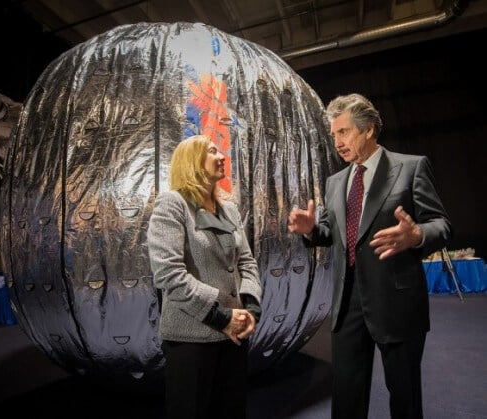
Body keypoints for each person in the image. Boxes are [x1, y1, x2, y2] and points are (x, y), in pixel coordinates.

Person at [288, 93, 451, 419]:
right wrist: (310, 229)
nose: (337, 142)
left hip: (397, 302)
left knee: (404, 398)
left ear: (369, 129)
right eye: (334, 134)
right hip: (347, 305)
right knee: (346, 398)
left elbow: (442, 225)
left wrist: (417, 235)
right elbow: (331, 232)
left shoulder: (410, 167)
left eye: (344, 132)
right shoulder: (335, 182)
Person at [147, 134, 262, 419]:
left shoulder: (229, 209)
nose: (222, 156)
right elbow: (169, 274)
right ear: (191, 161)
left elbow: (245, 261)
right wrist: (220, 317)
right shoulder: (172, 204)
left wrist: (250, 308)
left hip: (233, 335)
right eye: (212, 151)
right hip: (191, 339)